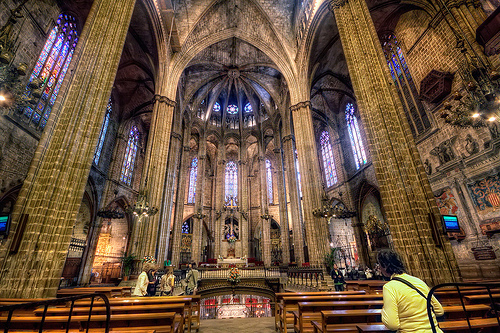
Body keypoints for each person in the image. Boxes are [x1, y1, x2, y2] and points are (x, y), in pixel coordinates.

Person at [378, 249, 444, 332]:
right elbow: (439, 311)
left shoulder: (390, 287)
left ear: (384, 266)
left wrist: (384, 311)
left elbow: (392, 325)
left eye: (379, 265)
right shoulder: (418, 281)